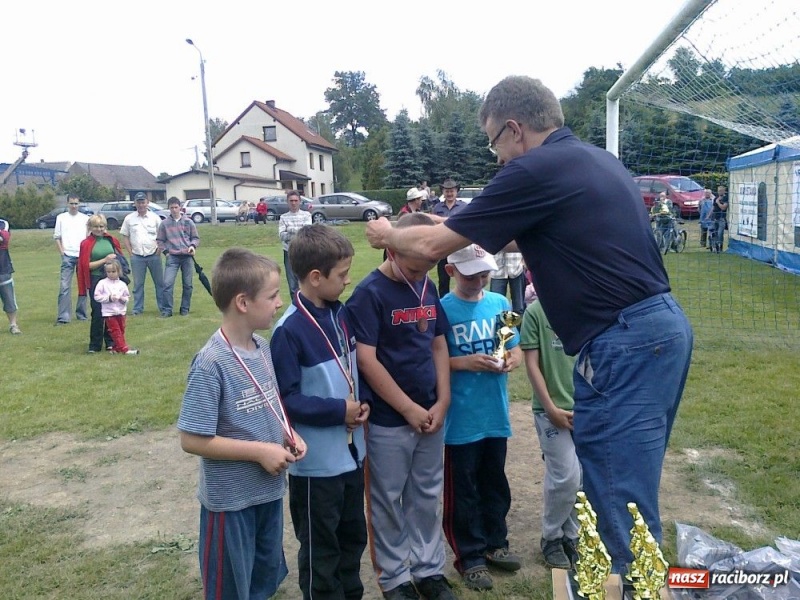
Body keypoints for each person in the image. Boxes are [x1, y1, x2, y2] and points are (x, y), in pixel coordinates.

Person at [365, 75, 693, 574]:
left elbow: (431, 248)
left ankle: (630, 584)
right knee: (627, 484)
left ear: (514, 129)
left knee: (615, 493)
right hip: (659, 332)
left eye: (493, 141)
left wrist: (388, 232)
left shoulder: (533, 169)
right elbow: (503, 234)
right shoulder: (594, 160)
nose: (497, 157)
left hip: (623, 341)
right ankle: (630, 577)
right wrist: (438, 223)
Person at [177, 247, 307, 600]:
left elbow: (269, 406)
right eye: (273, 295)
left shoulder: (262, 348)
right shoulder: (211, 363)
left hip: (267, 492)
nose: (280, 302)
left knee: (262, 579)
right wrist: (260, 452)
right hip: (231, 502)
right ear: (243, 302)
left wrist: (288, 434)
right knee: (231, 588)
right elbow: (191, 439)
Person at [346, 212, 456, 600]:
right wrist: (407, 408)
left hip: (431, 413)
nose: (420, 275)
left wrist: (443, 399)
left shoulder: (427, 285)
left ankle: (429, 570)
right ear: (392, 251)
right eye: (413, 268)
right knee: (387, 499)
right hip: (389, 420)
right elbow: (367, 360)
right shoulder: (369, 294)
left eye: (427, 267)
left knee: (427, 494)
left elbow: (438, 343)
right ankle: (394, 577)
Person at [271, 224, 370, 600]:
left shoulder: (341, 315)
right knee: (321, 549)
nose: (348, 281)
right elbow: (287, 401)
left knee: (352, 538)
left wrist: (363, 403)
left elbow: (353, 373)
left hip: (351, 457)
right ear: (315, 277)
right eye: (342, 275)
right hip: (316, 467)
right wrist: (338, 411)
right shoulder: (288, 331)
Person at [439, 244, 522, 591]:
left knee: (494, 483)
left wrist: (512, 360)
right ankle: (469, 556)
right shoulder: (443, 309)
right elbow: (433, 361)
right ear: (451, 272)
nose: (479, 281)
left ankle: (495, 542)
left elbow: (514, 347)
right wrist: (465, 363)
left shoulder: (500, 303)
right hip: (461, 420)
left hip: (494, 414)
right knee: (464, 491)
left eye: (485, 274)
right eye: (471, 276)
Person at [520, 298, 581, 570]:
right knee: (566, 476)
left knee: (582, 478)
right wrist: (550, 408)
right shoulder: (535, 312)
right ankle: (551, 537)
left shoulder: (586, 305)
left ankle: (573, 535)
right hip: (551, 412)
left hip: (586, 410)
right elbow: (532, 364)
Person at [78, 214, 123, 353]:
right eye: (96, 226)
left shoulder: (111, 240)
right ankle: (95, 344)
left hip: (111, 280)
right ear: (90, 227)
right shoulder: (86, 243)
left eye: (101, 226)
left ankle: (111, 342)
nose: (99, 229)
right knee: (97, 312)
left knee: (112, 310)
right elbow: (86, 266)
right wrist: (104, 260)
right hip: (96, 280)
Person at [120, 192, 165, 316]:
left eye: (143, 202)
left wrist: (159, 251)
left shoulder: (155, 218)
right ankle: (137, 309)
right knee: (138, 285)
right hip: (137, 256)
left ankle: (163, 307)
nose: (141, 205)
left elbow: (162, 235)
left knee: (159, 283)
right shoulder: (129, 219)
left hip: (154, 255)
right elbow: (125, 236)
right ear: (135, 203)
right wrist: (130, 253)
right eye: (138, 202)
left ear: (147, 203)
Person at [157, 197, 200, 317]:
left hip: (187, 256)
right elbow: (160, 240)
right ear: (169, 208)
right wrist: (166, 252)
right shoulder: (164, 224)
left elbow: (195, 238)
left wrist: (192, 246)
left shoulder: (188, 222)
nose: (174, 210)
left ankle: (184, 309)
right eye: (172, 208)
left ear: (180, 207)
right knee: (167, 283)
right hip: (172, 257)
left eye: (176, 207)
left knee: (188, 284)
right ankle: (167, 310)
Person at [54, 194, 90, 324]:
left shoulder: (85, 219)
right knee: (64, 286)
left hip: (82, 256)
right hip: (68, 256)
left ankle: (82, 314)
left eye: (76, 203)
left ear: (79, 204)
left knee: (83, 286)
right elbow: (57, 237)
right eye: (71, 203)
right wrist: (62, 253)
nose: (74, 206)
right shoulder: (61, 218)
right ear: (67, 204)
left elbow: (88, 237)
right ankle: (63, 317)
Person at [93, 259, 138, 355]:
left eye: (113, 271)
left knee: (121, 329)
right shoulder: (102, 283)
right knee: (115, 330)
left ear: (119, 271)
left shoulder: (122, 284)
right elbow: (97, 296)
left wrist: (122, 299)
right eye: (108, 272)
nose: (111, 274)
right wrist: (109, 298)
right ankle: (124, 349)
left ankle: (115, 348)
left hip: (121, 311)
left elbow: (127, 297)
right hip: (109, 312)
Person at [431, 179, 467, 297]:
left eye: (452, 191)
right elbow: (433, 227)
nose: (449, 194)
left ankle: (464, 300)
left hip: (460, 248)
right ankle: (443, 303)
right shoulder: (437, 208)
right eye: (447, 191)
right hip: (443, 249)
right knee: (443, 280)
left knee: (464, 278)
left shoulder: (464, 207)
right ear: (443, 192)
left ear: (456, 191)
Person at [278, 190, 313, 298]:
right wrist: (298, 231)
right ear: (287, 202)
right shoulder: (283, 217)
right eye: (291, 201)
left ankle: (307, 303)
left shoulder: (306, 215)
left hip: (304, 251)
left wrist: (290, 230)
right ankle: (295, 305)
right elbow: (282, 236)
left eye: (295, 200)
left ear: (300, 201)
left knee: (305, 279)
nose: (293, 203)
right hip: (288, 251)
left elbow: (306, 233)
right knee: (292, 283)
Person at [0, 218, 21, 335]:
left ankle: (13, 325)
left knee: (9, 299)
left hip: (3, 268)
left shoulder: (3, 223)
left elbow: (4, 238)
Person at [709, 185, 729, 253]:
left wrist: (718, 202)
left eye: (721, 191)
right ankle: (715, 247)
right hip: (714, 218)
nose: (719, 192)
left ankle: (720, 246)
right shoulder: (716, 198)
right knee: (714, 233)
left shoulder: (726, 198)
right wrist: (708, 216)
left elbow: (723, 208)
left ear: (724, 191)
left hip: (721, 218)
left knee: (720, 233)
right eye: (718, 191)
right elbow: (713, 207)